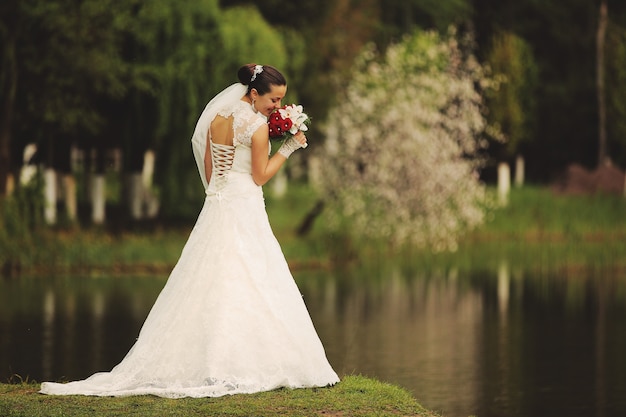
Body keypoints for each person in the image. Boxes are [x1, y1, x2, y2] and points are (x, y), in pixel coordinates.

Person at [40, 64, 340, 398]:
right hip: (243, 203)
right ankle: (243, 361)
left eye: (281, 100)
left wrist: (218, 194)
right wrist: (289, 147)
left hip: (219, 203)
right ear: (254, 94)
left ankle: (212, 360)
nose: (278, 106)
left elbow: (211, 169)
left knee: (210, 277)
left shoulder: (217, 118)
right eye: (274, 99)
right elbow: (260, 175)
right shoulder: (256, 126)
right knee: (253, 274)